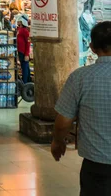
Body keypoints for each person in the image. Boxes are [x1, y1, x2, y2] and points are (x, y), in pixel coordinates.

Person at [51, 22, 111, 195]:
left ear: (91, 47)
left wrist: (58, 141)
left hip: (96, 164)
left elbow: (63, 121)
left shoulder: (80, 78)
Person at [16, 14, 31, 83]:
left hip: (23, 51)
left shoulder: (25, 31)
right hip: (20, 51)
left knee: (25, 67)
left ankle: (25, 82)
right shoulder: (19, 29)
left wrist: (27, 54)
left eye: (19, 21)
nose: (17, 22)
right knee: (24, 67)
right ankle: (26, 81)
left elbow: (28, 43)